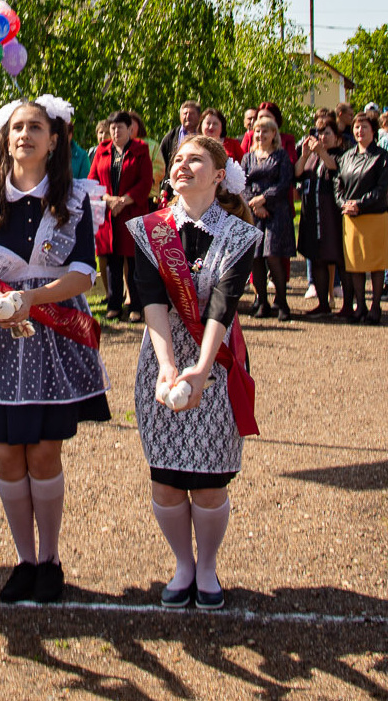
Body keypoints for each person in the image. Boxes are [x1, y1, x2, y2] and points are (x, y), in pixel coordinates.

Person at [0, 96, 105, 605]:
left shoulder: (72, 201)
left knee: (44, 452)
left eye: (35, 127)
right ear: (6, 138)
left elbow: (83, 273)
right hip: (4, 339)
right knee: (7, 454)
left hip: (52, 335)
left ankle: (50, 559)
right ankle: (23, 559)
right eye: (17, 127)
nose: (25, 134)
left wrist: (32, 298)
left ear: (53, 141)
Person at [128, 136, 259, 610]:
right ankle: (182, 564)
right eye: (177, 159)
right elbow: (151, 301)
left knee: (207, 482)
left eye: (195, 159)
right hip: (161, 359)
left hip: (216, 361)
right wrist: (167, 368)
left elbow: (223, 304)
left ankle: (208, 567)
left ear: (219, 175)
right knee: (165, 478)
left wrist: (201, 370)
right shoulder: (148, 230)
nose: (182, 166)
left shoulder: (241, 235)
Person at [90, 110, 153, 323]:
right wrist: (108, 199)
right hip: (109, 214)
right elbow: (93, 179)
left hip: (132, 212)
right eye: (113, 128)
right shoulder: (102, 151)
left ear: (130, 129)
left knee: (134, 262)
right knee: (112, 262)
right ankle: (114, 304)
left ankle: (136, 305)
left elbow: (146, 182)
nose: (116, 131)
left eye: (120, 127)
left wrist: (124, 200)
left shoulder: (141, 150)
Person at [335, 110, 388, 325]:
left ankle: (375, 306)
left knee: (376, 265)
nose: (360, 131)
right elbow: (338, 185)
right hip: (351, 218)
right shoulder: (346, 157)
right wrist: (344, 204)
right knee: (355, 265)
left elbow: (383, 188)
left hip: (374, 216)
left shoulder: (382, 157)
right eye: (357, 127)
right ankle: (360, 305)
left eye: (364, 127)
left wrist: (360, 204)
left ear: (373, 130)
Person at [241, 112, 294, 320]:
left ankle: (282, 302)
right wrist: (254, 204)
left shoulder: (281, 156)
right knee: (255, 259)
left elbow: (284, 183)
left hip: (276, 212)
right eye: (258, 130)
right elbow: (242, 183)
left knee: (272, 257)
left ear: (274, 133)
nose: (261, 134)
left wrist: (264, 198)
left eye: (265, 130)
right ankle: (262, 301)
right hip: (254, 213)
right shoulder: (248, 157)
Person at [296, 112, 345, 318]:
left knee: (339, 258)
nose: (322, 137)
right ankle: (323, 303)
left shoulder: (341, 154)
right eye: (319, 133)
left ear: (336, 137)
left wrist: (322, 152)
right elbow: (298, 172)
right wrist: (306, 155)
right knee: (317, 258)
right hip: (311, 213)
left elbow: (335, 168)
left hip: (331, 215)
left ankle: (347, 304)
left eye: (326, 133)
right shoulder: (312, 157)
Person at [158, 101, 204, 170]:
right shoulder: (171, 137)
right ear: (180, 116)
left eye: (192, 113)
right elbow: (160, 161)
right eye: (185, 113)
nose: (188, 116)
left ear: (199, 116)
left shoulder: (204, 135)